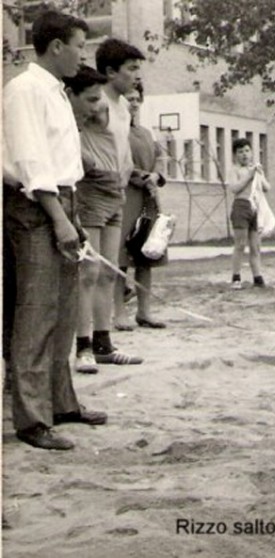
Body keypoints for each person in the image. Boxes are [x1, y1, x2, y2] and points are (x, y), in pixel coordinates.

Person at [3, 11, 107, 450]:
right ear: (57, 46)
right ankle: (31, 419)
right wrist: (58, 217)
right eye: (80, 46)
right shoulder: (24, 88)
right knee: (36, 310)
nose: (84, 54)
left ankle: (61, 402)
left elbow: (62, 163)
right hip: (34, 203)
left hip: (62, 199)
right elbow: (31, 161)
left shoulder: (57, 92)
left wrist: (72, 215)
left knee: (63, 311)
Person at [74, 37, 146, 373]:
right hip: (92, 193)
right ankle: (83, 346)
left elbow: (122, 148)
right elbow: (76, 139)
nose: (136, 76)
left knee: (107, 272)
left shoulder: (122, 107)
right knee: (87, 271)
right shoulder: (95, 99)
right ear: (110, 71)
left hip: (116, 193)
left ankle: (104, 344)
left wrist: (126, 171)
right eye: (131, 69)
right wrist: (94, 172)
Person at [113, 82, 167, 328]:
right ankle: (119, 313)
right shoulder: (116, 130)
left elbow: (159, 158)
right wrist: (142, 177)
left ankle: (144, 311)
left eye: (137, 99)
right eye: (129, 98)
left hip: (148, 198)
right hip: (127, 195)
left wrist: (155, 176)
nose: (133, 103)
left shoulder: (147, 132)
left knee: (146, 254)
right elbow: (119, 162)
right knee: (122, 256)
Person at [228, 137, 271, 289]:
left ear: (252, 153)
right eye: (240, 152)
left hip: (255, 208)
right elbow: (234, 188)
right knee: (240, 244)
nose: (244, 155)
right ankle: (236, 277)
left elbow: (267, 187)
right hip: (241, 207)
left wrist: (259, 174)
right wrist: (249, 176)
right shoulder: (235, 170)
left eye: (247, 151)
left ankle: (257, 277)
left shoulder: (255, 168)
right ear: (235, 155)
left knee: (255, 246)